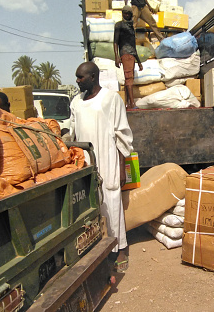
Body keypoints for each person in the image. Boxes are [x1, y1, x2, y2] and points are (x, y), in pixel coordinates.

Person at [70, 62, 134, 272]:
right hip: (86, 164)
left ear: (93, 77)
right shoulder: (76, 103)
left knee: (111, 203)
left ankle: (120, 247)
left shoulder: (111, 99)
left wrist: (122, 166)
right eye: (77, 77)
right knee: (91, 207)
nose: (78, 81)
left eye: (81, 77)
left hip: (107, 161)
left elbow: (121, 134)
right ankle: (98, 247)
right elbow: (72, 133)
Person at [114, 5, 143, 109]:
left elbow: (133, 46)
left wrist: (139, 61)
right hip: (125, 54)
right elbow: (115, 42)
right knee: (129, 78)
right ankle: (132, 104)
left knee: (129, 80)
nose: (126, 15)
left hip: (132, 55)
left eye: (128, 13)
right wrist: (116, 57)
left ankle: (127, 103)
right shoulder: (119, 25)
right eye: (125, 13)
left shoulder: (131, 27)